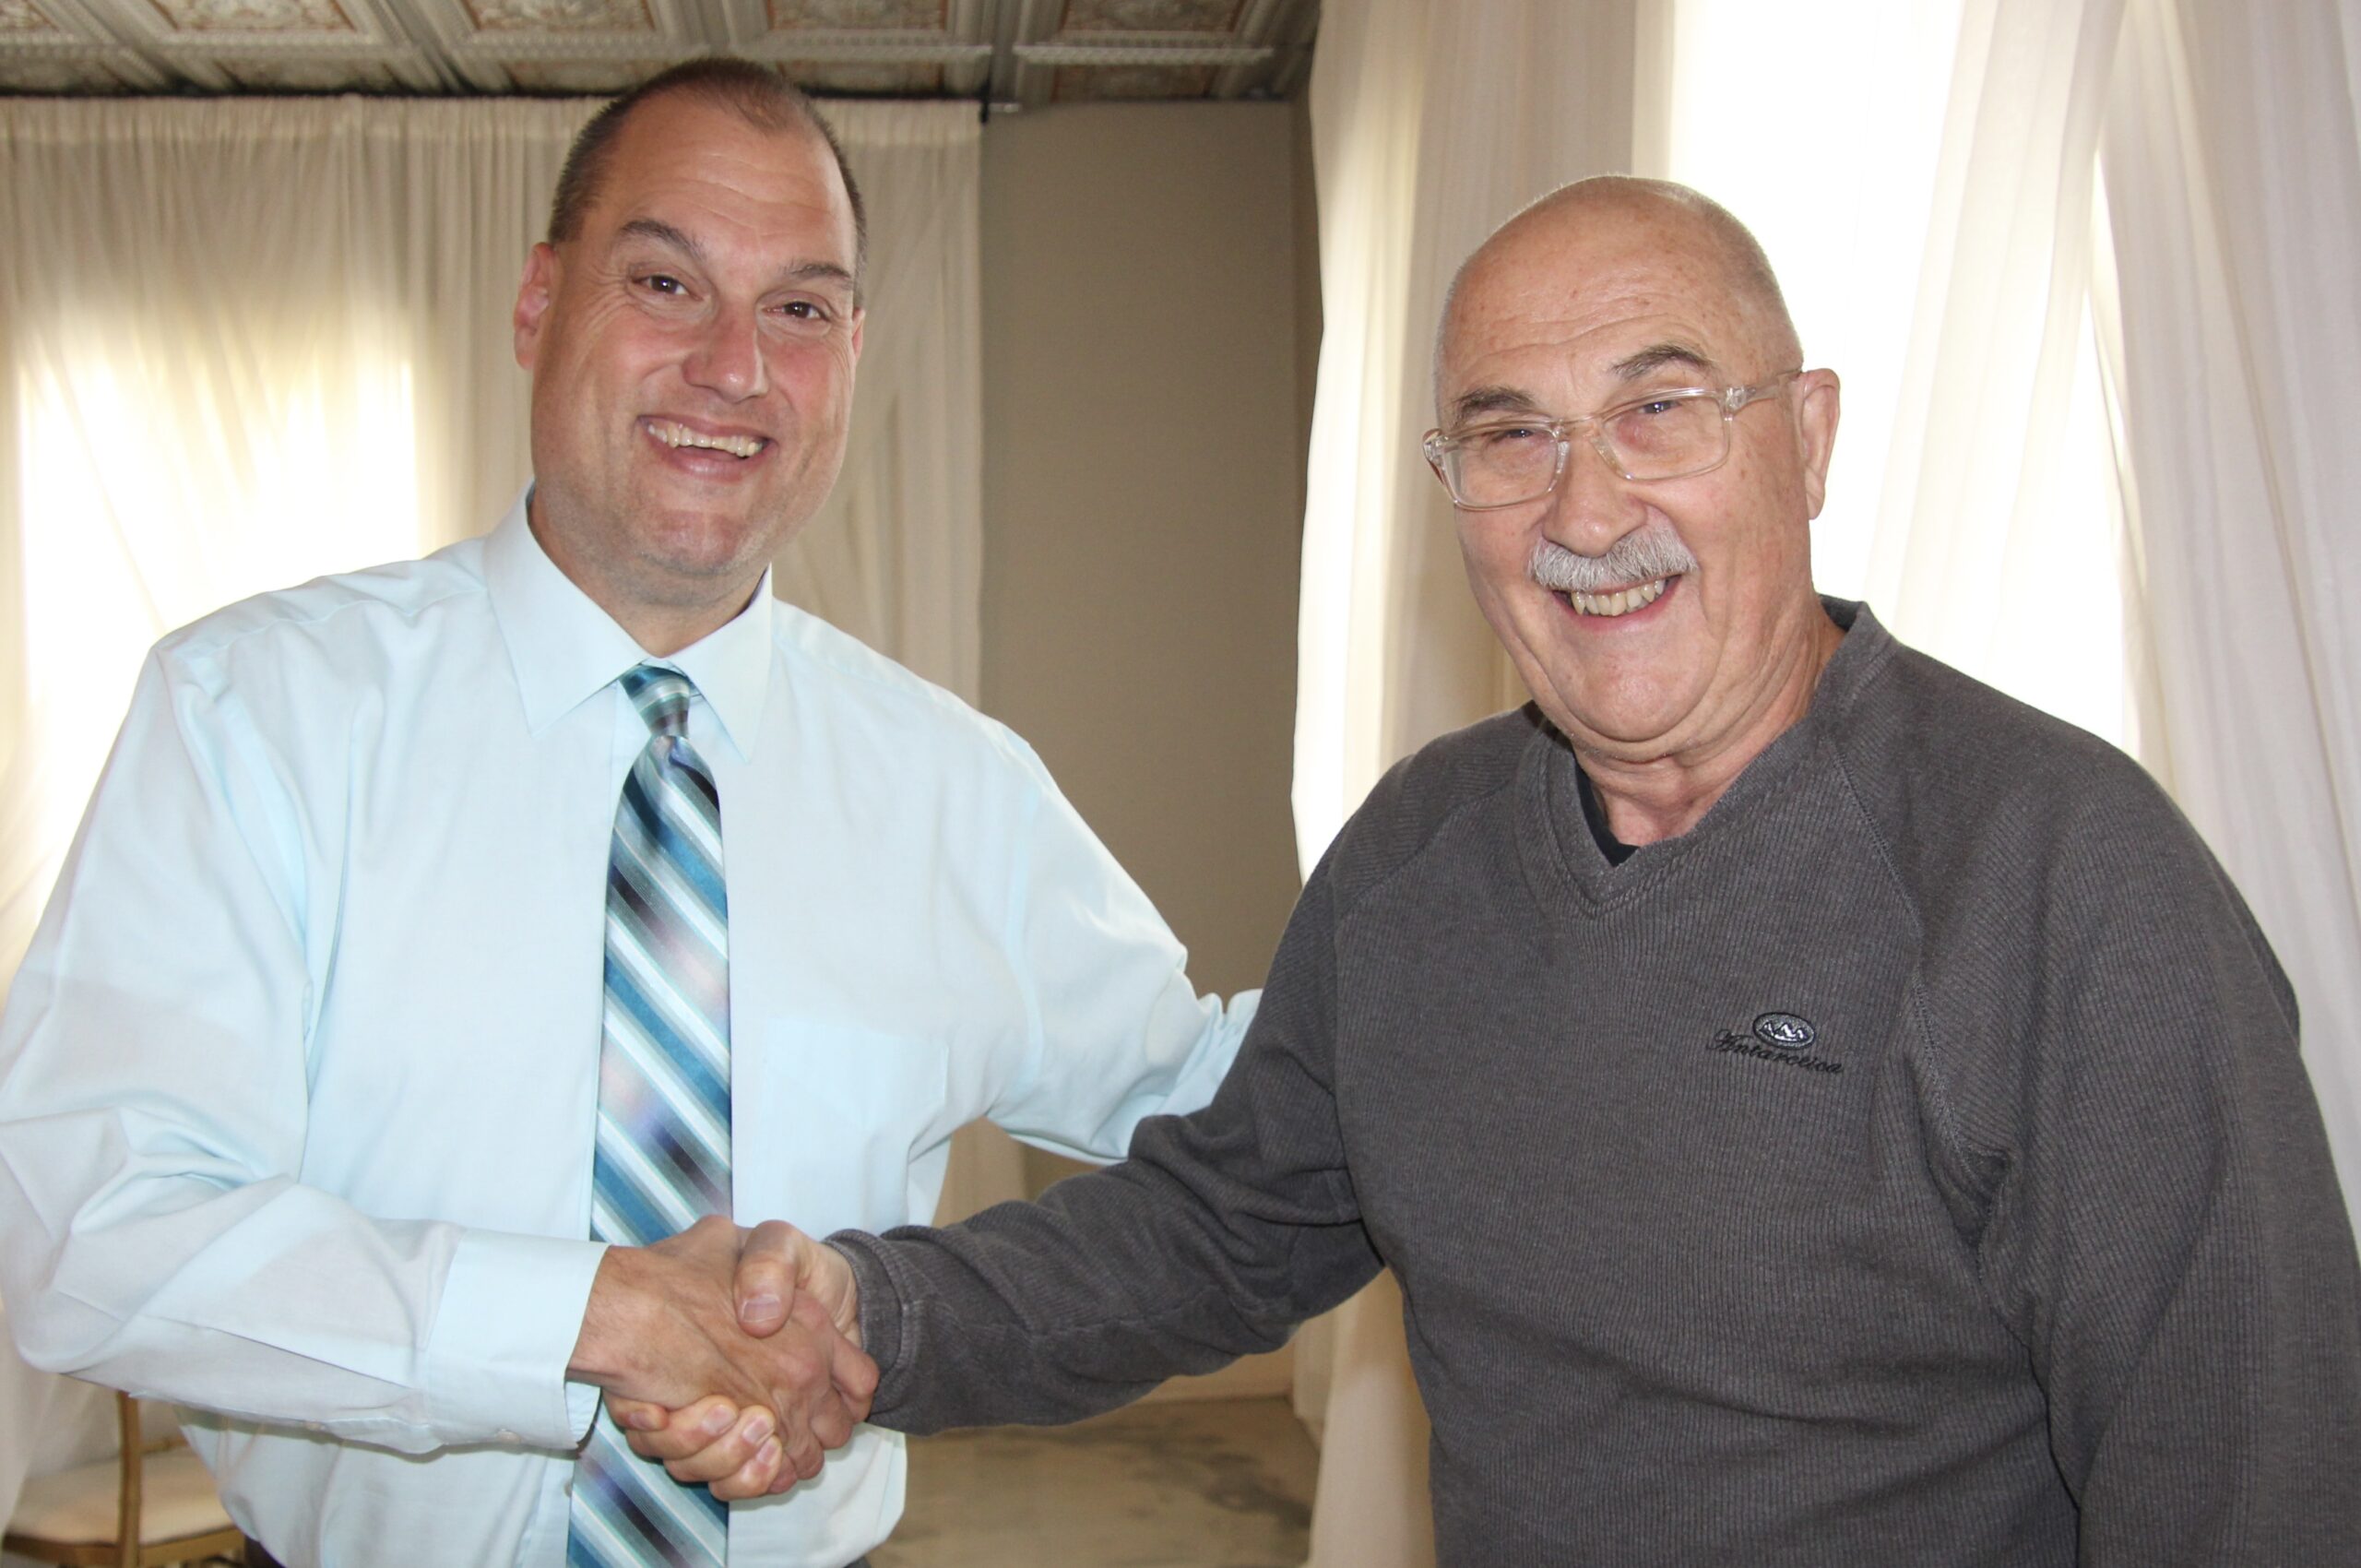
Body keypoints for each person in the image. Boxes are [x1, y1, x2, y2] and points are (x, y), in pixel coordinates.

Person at [631, 176, 2361, 1564]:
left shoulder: (2061, 877)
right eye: (1510, 434)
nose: (1586, 511)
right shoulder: (1422, 858)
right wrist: (873, 1310)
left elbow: (2251, 1484)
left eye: (1661, 407)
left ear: (1810, 437)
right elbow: (1223, 1226)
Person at [0, 60, 1259, 1568]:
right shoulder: (253, 715)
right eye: (667, 281)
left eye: (800, 308)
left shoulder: (959, 788)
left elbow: (1215, 1103)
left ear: (854, 353)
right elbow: (81, 1226)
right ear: (539, 305)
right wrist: (593, 1321)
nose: (735, 366)